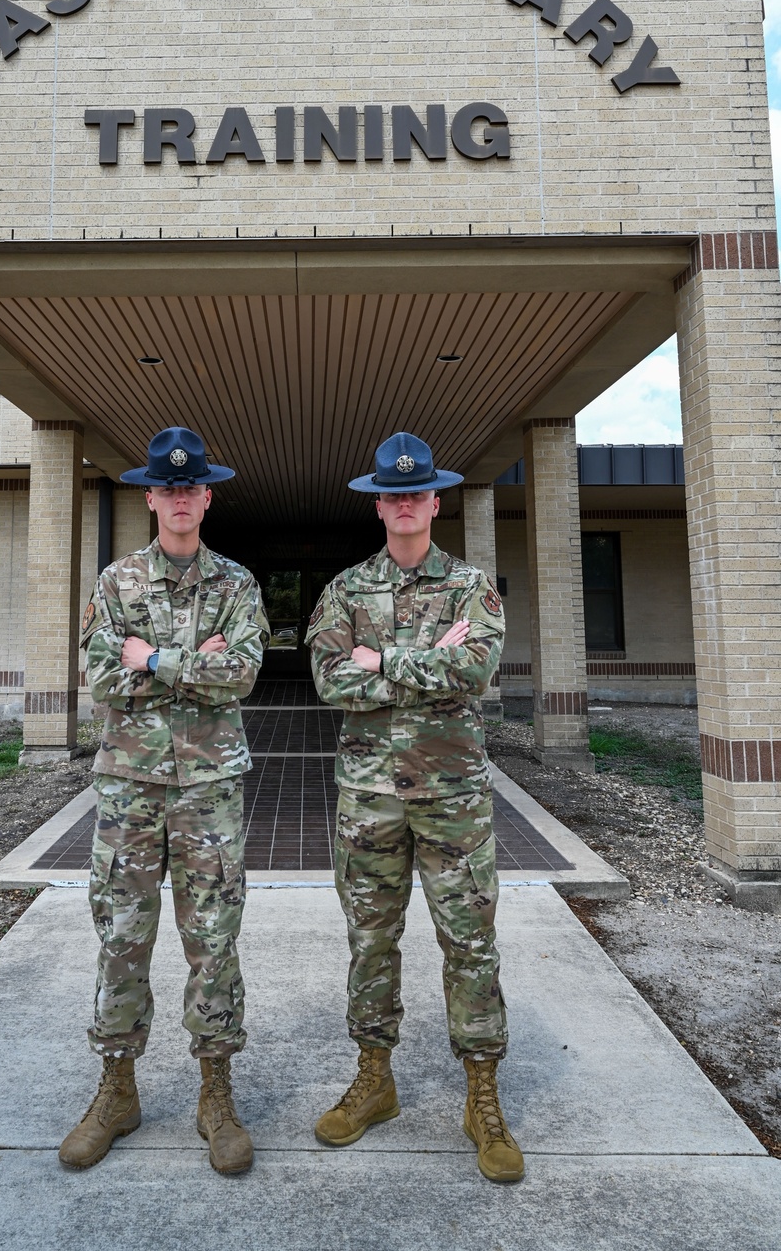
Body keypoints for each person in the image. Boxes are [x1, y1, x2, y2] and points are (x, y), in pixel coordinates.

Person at [306, 431, 523, 1183]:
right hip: (369, 801)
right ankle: (376, 1078)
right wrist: (427, 665)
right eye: (391, 494)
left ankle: (482, 1096)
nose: (404, 503)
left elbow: (478, 668)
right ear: (379, 505)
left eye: (416, 492)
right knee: (371, 942)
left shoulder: (470, 586)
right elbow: (331, 680)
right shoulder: (344, 591)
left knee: (470, 944)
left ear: (436, 500)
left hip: (453, 800)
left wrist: (383, 658)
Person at [59, 427, 269, 1176]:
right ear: (149, 495)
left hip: (208, 791)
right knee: (122, 936)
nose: (180, 497)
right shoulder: (115, 581)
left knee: (213, 942)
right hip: (130, 790)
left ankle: (216, 1094)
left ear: (207, 495)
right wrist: (192, 664)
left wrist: (150, 657)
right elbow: (100, 676)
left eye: (192, 486)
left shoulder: (238, 585)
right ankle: (117, 1090)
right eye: (167, 487)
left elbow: (242, 673)